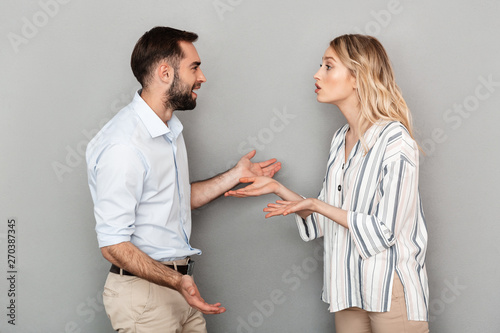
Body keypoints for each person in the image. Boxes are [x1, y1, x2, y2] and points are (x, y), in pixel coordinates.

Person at [226, 34, 429, 333]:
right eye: (320, 65)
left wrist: (316, 204)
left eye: (328, 66)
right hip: (345, 288)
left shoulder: (395, 141)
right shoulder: (339, 140)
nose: (317, 73)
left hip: (389, 288)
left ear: (358, 77)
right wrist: (279, 189)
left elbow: (383, 230)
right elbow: (326, 220)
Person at [86, 26, 281, 333]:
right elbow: (113, 244)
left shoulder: (169, 131)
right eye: (194, 67)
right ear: (165, 73)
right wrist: (176, 280)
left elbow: (174, 199)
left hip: (178, 289)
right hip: (145, 297)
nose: (201, 78)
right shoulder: (124, 145)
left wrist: (235, 176)